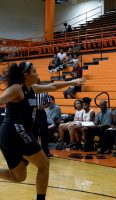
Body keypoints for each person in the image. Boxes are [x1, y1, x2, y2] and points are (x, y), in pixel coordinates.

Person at [0, 61, 85, 200]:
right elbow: (1, 99)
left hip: (10, 135)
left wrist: (74, 81)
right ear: (26, 75)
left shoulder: (31, 88)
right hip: (15, 131)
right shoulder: (17, 88)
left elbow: (52, 86)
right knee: (44, 164)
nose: (37, 74)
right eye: (34, 71)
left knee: (19, 177)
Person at [32, 80, 53, 158]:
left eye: (37, 82)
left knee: (44, 132)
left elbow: (48, 102)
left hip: (41, 113)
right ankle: (34, 152)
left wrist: (43, 106)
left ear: (39, 83)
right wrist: (34, 106)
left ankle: (46, 152)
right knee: (34, 133)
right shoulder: (30, 91)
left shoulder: (44, 91)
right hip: (32, 113)